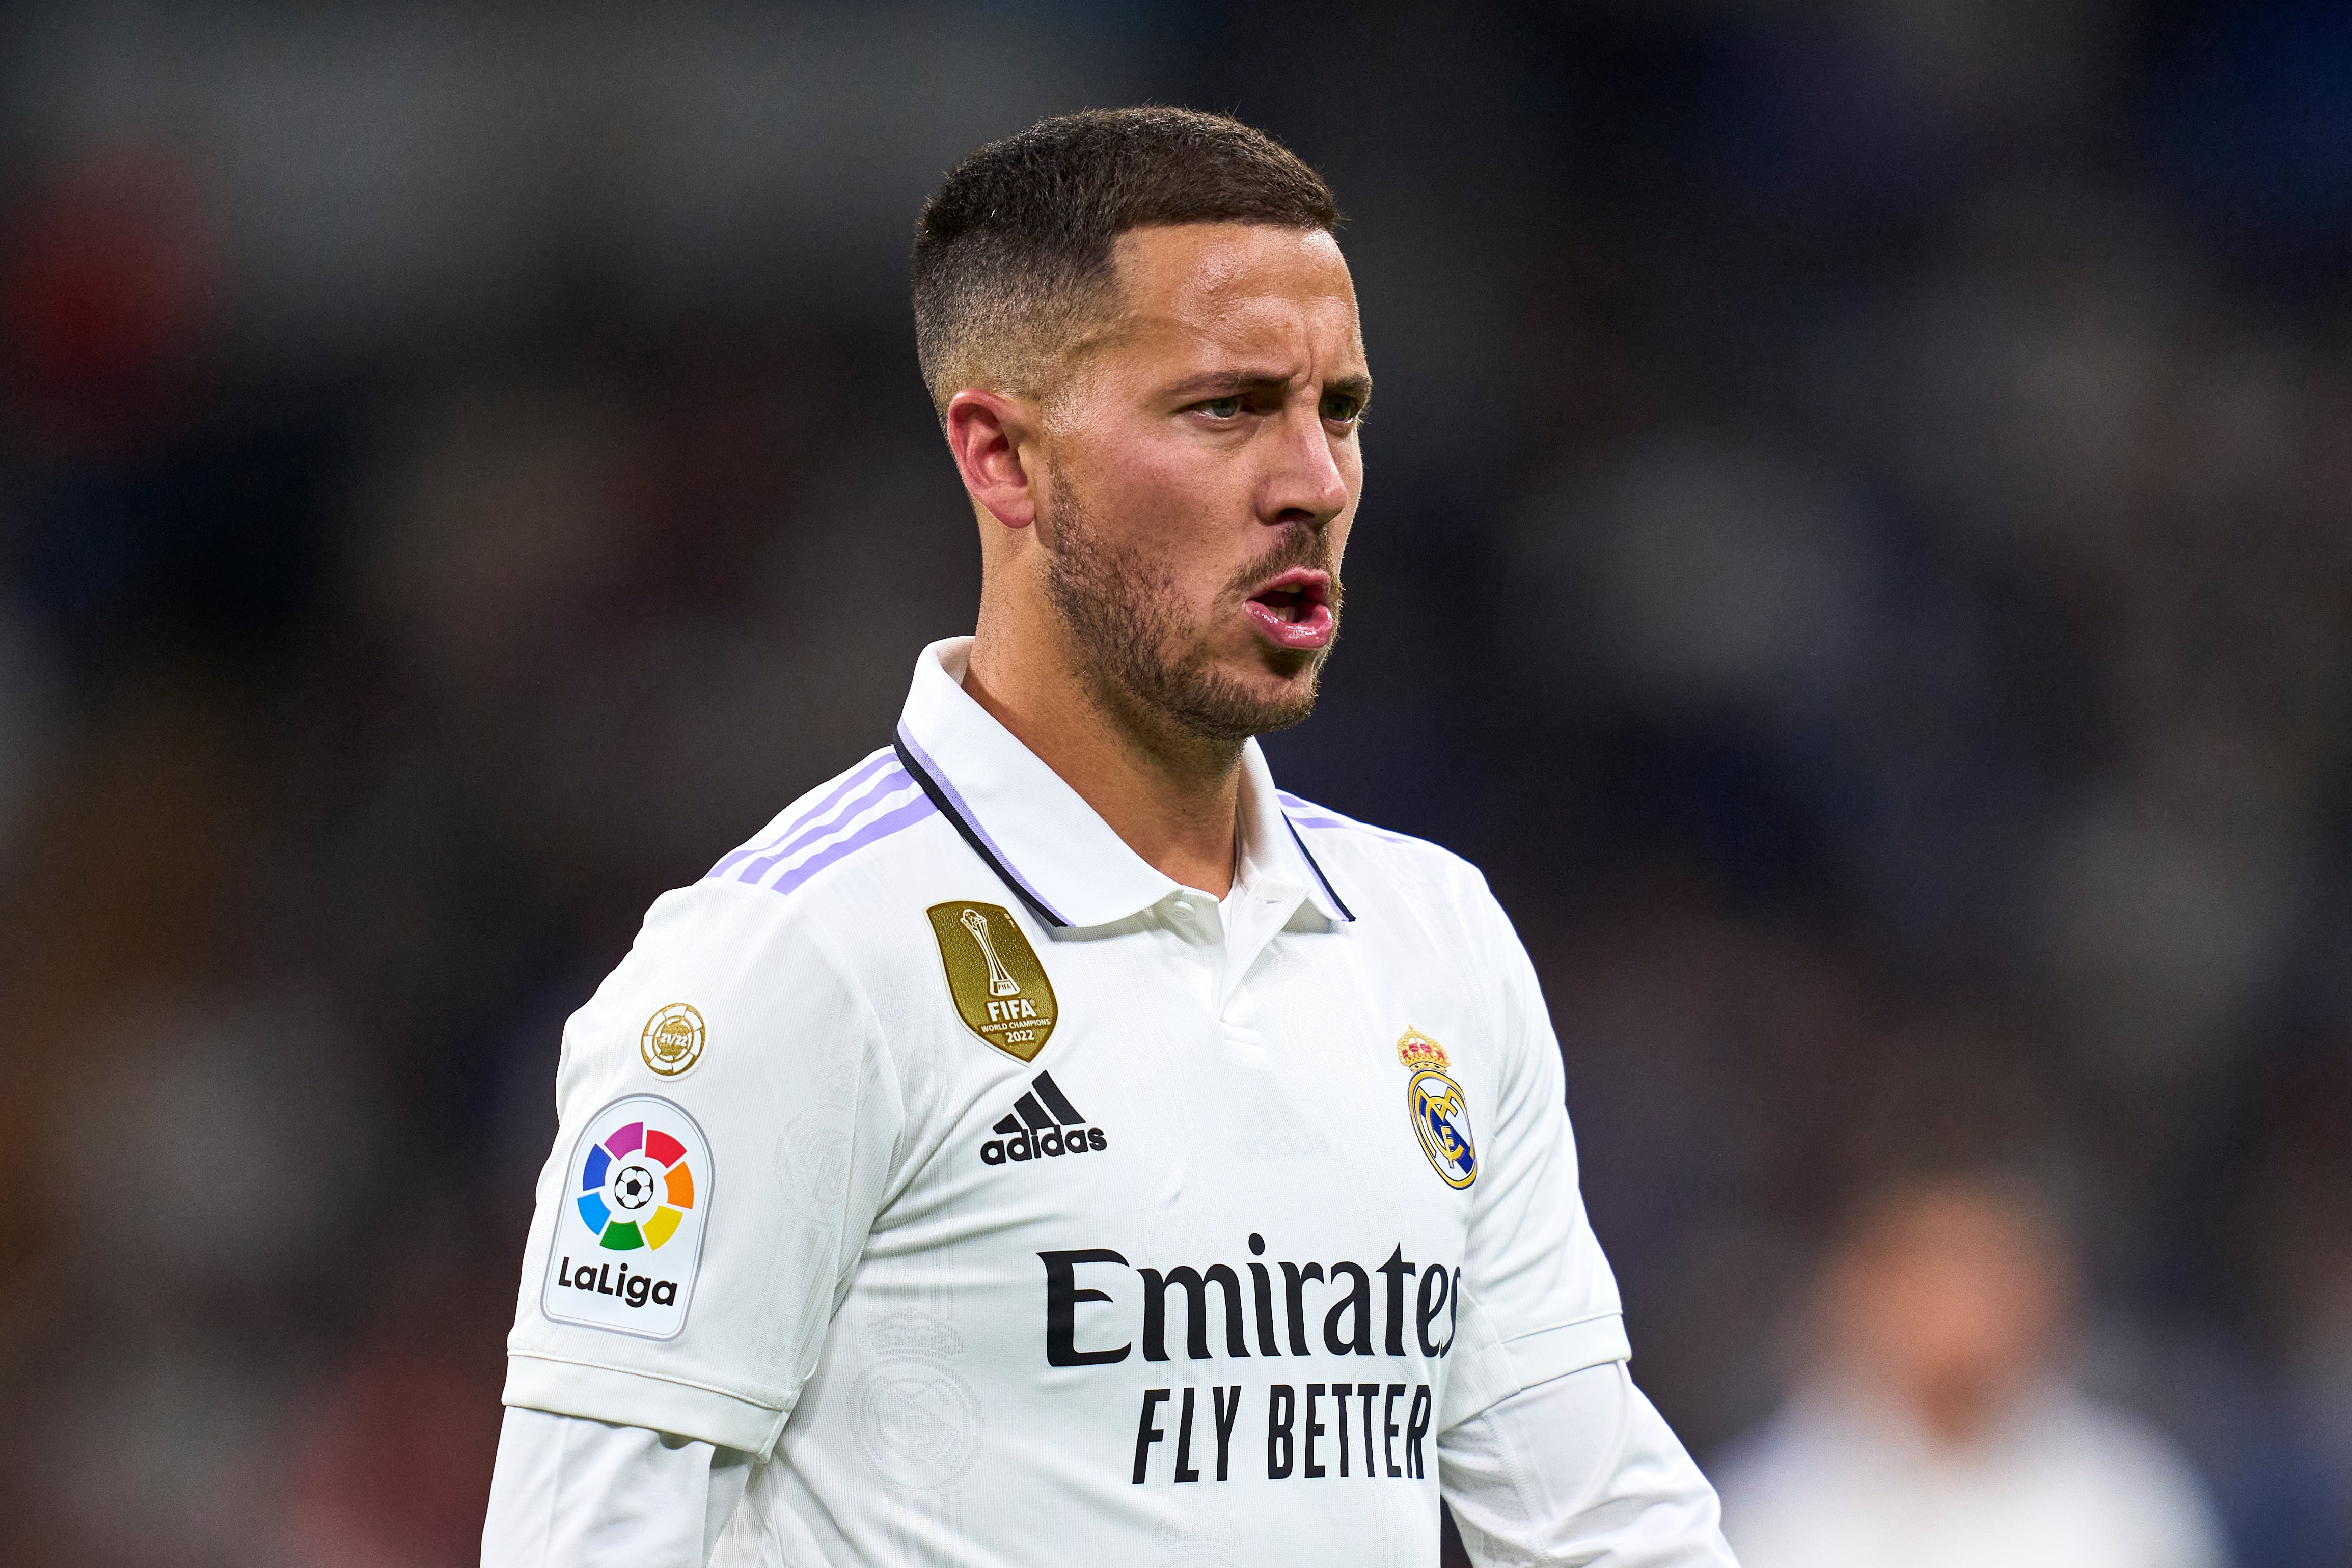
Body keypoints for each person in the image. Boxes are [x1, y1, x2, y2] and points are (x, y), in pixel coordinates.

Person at [480, 106, 1736, 1567]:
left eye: (1338, 409)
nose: (1313, 482)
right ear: (1002, 457)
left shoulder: (1431, 939)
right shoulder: (792, 963)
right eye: (1225, 406)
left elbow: (1597, 1521)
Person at [1716, 1173, 2227, 1568]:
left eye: (1987, 1276)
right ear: (1858, 1290)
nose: (1960, 1308)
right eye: (1928, 1271)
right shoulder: (1762, 1505)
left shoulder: (2127, 1493)